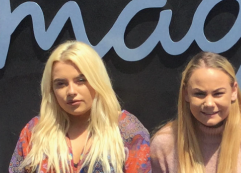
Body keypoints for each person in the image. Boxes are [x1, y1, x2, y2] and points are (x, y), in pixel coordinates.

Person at [9, 40, 151, 173]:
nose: (71, 91)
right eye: (61, 83)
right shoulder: (35, 132)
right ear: (51, 89)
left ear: (97, 80)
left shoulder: (126, 130)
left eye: (81, 80)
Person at [150, 51, 241, 173]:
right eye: (199, 94)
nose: (209, 104)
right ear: (186, 93)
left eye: (218, 94)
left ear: (234, 91)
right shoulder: (164, 143)